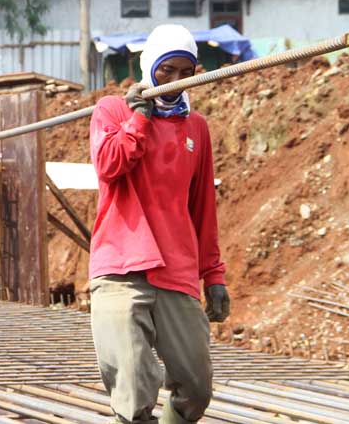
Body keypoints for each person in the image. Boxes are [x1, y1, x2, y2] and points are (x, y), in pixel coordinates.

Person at [88, 24, 230, 424]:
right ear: (149, 66)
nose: (175, 80)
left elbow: (203, 207)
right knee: (133, 389)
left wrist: (213, 274)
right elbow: (110, 165)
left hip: (177, 269)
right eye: (167, 69)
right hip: (120, 269)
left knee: (197, 388)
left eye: (186, 72)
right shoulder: (112, 111)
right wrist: (138, 119)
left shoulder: (196, 128)